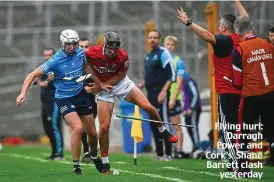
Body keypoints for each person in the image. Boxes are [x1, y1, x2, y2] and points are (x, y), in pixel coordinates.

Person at [84, 31, 178, 173]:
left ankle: (163, 130)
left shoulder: (122, 56)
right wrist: (97, 84)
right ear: (104, 45)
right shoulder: (91, 52)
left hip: (120, 83)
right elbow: (79, 64)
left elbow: (121, 75)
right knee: (104, 127)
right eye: (109, 48)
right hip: (102, 87)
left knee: (148, 107)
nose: (112, 51)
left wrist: (102, 84)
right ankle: (105, 161)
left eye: (115, 48)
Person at [16, 29, 102, 175]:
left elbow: (86, 66)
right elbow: (32, 75)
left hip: (81, 94)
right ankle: (76, 165)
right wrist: (23, 93)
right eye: (69, 44)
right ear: (62, 44)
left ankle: (93, 155)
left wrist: (97, 81)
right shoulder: (56, 60)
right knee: (77, 128)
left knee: (92, 133)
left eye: (74, 44)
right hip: (63, 98)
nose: (72, 47)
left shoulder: (80, 53)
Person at [176, 0, 248, 171]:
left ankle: (234, 165)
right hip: (244, 91)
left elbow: (208, 36)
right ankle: (243, 164)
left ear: (223, 28)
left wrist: (189, 22)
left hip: (227, 92)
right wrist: (236, 2)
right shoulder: (243, 37)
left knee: (228, 129)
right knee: (241, 129)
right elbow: (245, 17)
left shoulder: (224, 40)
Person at [232, 16, 274, 172]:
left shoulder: (239, 50)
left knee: (243, 130)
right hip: (271, 94)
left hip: (251, 96)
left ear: (237, 33)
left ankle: (243, 168)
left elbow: (237, 82)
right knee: (271, 130)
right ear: (253, 29)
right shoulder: (268, 45)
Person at [137, 30, 176, 161]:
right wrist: (142, 85)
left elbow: (172, 75)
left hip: (161, 93)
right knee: (154, 123)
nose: (152, 39)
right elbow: (149, 77)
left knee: (164, 121)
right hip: (150, 94)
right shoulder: (148, 56)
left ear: (159, 39)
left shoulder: (163, 53)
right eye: (150, 37)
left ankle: (169, 153)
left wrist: (164, 91)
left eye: (155, 37)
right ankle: (159, 154)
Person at [33, 48, 64, 160]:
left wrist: (41, 81)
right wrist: (37, 78)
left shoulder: (56, 68)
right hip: (45, 103)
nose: (47, 57)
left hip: (54, 102)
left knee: (55, 127)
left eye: (49, 55)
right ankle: (53, 151)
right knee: (48, 129)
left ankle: (59, 153)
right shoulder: (44, 69)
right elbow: (35, 81)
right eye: (45, 55)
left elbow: (46, 83)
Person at [163, 35, 185, 158]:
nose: (169, 46)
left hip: (173, 98)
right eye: (167, 44)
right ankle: (168, 150)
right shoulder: (163, 59)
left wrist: (173, 98)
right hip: (163, 97)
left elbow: (179, 82)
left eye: (172, 44)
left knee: (176, 125)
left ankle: (179, 150)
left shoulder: (178, 61)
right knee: (164, 126)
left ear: (175, 46)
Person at [79, 37, 97, 163]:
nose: (84, 49)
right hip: (78, 97)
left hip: (93, 98)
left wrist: (96, 87)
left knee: (91, 128)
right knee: (81, 126)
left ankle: (92, 150)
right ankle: (86, 151)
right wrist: (82, 85)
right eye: (82, 47)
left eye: (87, 47)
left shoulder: (95, 61)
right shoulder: (73, 62)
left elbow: (100, 77)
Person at [182, 75, 202, 153]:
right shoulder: (182, 82)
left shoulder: (189, 80)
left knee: (193, 128)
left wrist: (191, 107)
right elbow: (184, 97)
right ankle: (195, 146)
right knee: (189, 128)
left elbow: (195, 94)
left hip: (193, 109)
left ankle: (198, 147)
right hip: (187, 110)